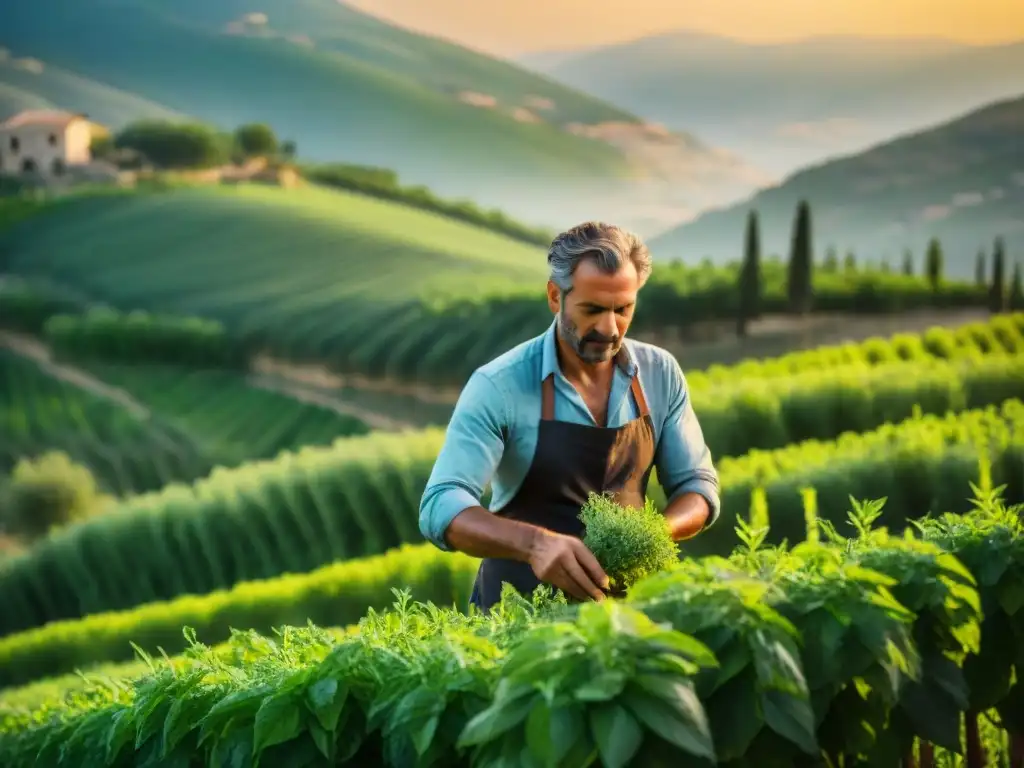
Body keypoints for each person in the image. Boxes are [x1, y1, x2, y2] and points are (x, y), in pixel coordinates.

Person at [418, 221, 720, 612]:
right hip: (516, 618)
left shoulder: (659, 374)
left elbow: (698, 486)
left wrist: (652, 534)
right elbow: (441, 504)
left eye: (623, 309)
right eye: (592, 309)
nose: (610, 328)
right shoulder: (499, 385)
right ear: (554, 297)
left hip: (628, 618)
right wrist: (536, 544)